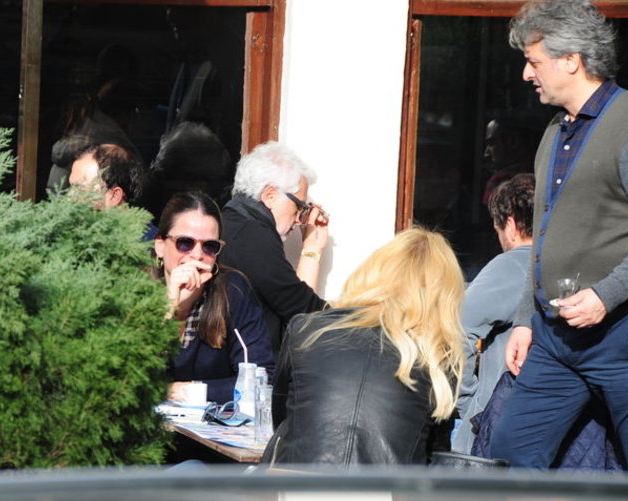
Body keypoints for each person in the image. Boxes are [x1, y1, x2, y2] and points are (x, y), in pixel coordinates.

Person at [490, 0, 628, 471]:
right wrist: (524, 319)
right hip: (556, 340)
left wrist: (606, 295)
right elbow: (544, 239)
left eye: (534, 62)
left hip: (625, 337)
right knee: (510, 456)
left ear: (571, 60)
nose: (526, 74)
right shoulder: (556, 131)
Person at [261, 228, 466, 467]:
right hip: (385, 490)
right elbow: (434, 454)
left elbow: (283, 417)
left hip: (297, 485)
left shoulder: (307, 329)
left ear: (373, 273)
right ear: (443, 296)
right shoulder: (436, 355)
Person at [154, 191, 275, 404]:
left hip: (209, 422)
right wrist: (169, 305)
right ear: (160, 245)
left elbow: (260, 380)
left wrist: (184, 391)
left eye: (210, 246)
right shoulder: (134, 291)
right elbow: (120, 379)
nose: (197, 255)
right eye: (185, 243)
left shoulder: (232, 291)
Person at [220, 142, 330, 352]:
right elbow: (304, 314)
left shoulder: (233, 223)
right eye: (300, 206)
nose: (299, 219)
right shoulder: (253, 237)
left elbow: (292, 301)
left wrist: (312, 248)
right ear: (270, 196)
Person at [453, 173, 534, 454]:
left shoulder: (512, 264)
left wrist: (469, 402)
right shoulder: (568, 268)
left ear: (510, 224)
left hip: (495, 426)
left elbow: (456, 330)